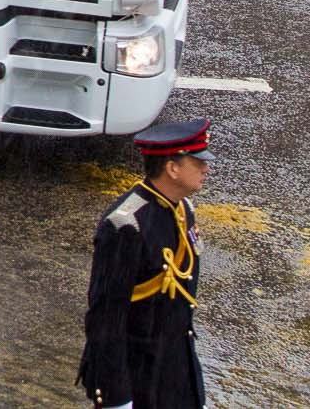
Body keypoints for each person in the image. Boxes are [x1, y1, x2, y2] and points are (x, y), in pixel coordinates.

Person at [76, 117, 212, 409]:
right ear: (172, 168)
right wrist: (116, 398)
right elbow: (105, 320)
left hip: (175, 375)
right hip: (138, 381)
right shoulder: (125, 225)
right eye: (197, 162)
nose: (206, 168)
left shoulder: (183, 209)